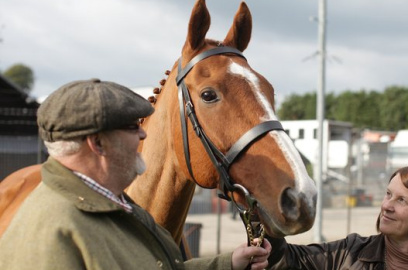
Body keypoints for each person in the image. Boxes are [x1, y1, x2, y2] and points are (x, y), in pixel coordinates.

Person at [0, 79, 271, 270]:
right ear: (98, 143)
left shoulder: (111, 201)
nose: (143, 133)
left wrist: (229, 264)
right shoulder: (52, 230)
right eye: (132, 127)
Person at [266, 165, 408, 270]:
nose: (386, 206)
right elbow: (286, 260)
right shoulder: (349, 254)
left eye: (401, 200)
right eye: (388, 194)